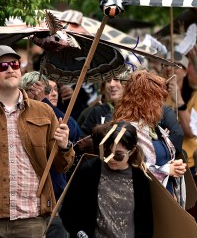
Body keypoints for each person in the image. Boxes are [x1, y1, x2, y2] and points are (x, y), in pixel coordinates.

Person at [0, 45, 74, 237]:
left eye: (14, 64)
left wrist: (65, 146)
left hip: (32, 219)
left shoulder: (44, 112)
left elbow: (60, 166)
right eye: (2, 66)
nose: (10, 69)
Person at [60, 122, 153, 238]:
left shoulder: (140, 178)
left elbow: (146, 222)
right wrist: (80, 233)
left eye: (118, 155)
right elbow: (68, 211)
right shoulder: (89, 171)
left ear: (132, 151)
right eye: (107, 152)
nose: (111, 159)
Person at [20, 72, 82, 238]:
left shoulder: (58, 114)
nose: (52, 93)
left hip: (54, 195)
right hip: (27, 196)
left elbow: (73, 130)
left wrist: (44, 102)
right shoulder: (20, 114)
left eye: (55, 89)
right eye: (47, 90)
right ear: (27, 92)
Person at [113, 70, 187, 199]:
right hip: (141, 203)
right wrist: (165, 170)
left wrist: (175, 166)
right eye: (156, 99)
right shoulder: (125, 129)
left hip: (164, 200)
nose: (160, 105)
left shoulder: (155, 127)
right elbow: (123, 167)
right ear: (143, 100)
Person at [81, 73, 184, 154]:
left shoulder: (164, 111)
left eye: (117, 80)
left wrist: (163, 141)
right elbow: (108, 141)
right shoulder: (114, 113)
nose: (112, 84)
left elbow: (177, 136)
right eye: (108, 80)